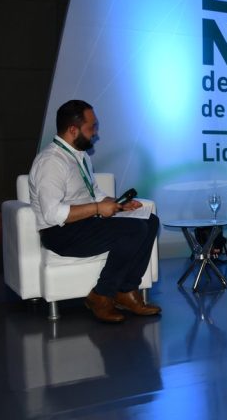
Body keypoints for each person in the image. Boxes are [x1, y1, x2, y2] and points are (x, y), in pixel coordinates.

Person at [29, 100, 161, 322]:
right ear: (73, 130)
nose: (96, 133)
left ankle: (126, 291)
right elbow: (52, 214)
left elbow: (94, 194)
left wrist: (118, 204)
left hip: (85, 224)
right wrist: (98, 208)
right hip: (60, 233)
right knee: (135, 229)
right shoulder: (51, 162)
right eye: (92, 127)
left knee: (150, 221)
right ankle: (101, 295)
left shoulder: (80, 156)